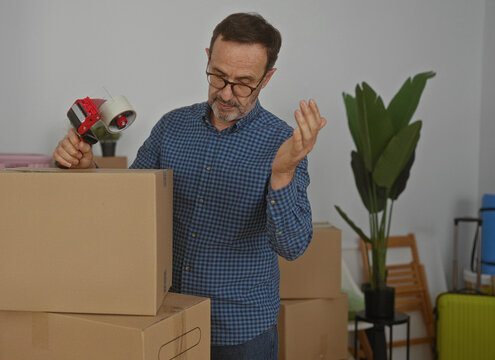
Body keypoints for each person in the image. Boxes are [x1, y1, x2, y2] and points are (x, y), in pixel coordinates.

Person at [54, 12, 326, 360]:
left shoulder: (284, 144)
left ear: (267, 78)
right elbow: (131, 203)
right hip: (168, 320)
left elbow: (292, 247)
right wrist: (85, 167)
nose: (226, 93)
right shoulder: (172, 126)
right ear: (207, 59)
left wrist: (283, 173)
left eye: (243, 82)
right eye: (218, 76)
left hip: (239, 332)